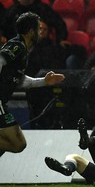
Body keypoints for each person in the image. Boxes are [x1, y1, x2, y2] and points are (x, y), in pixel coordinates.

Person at [0, 12, 65, 157]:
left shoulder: (23, 50)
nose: (40, 33)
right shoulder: (16, 45)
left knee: (8, 144)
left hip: (2, 102)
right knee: (17, 144)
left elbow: (20, 80)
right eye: (38, 29)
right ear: (30, 31)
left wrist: (44, 81)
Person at [3, 0, 68, 45]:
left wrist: (60, 40)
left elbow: (59, 24)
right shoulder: (14, 10)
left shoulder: (42, 9)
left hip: (40, 44)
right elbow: (4, 25)